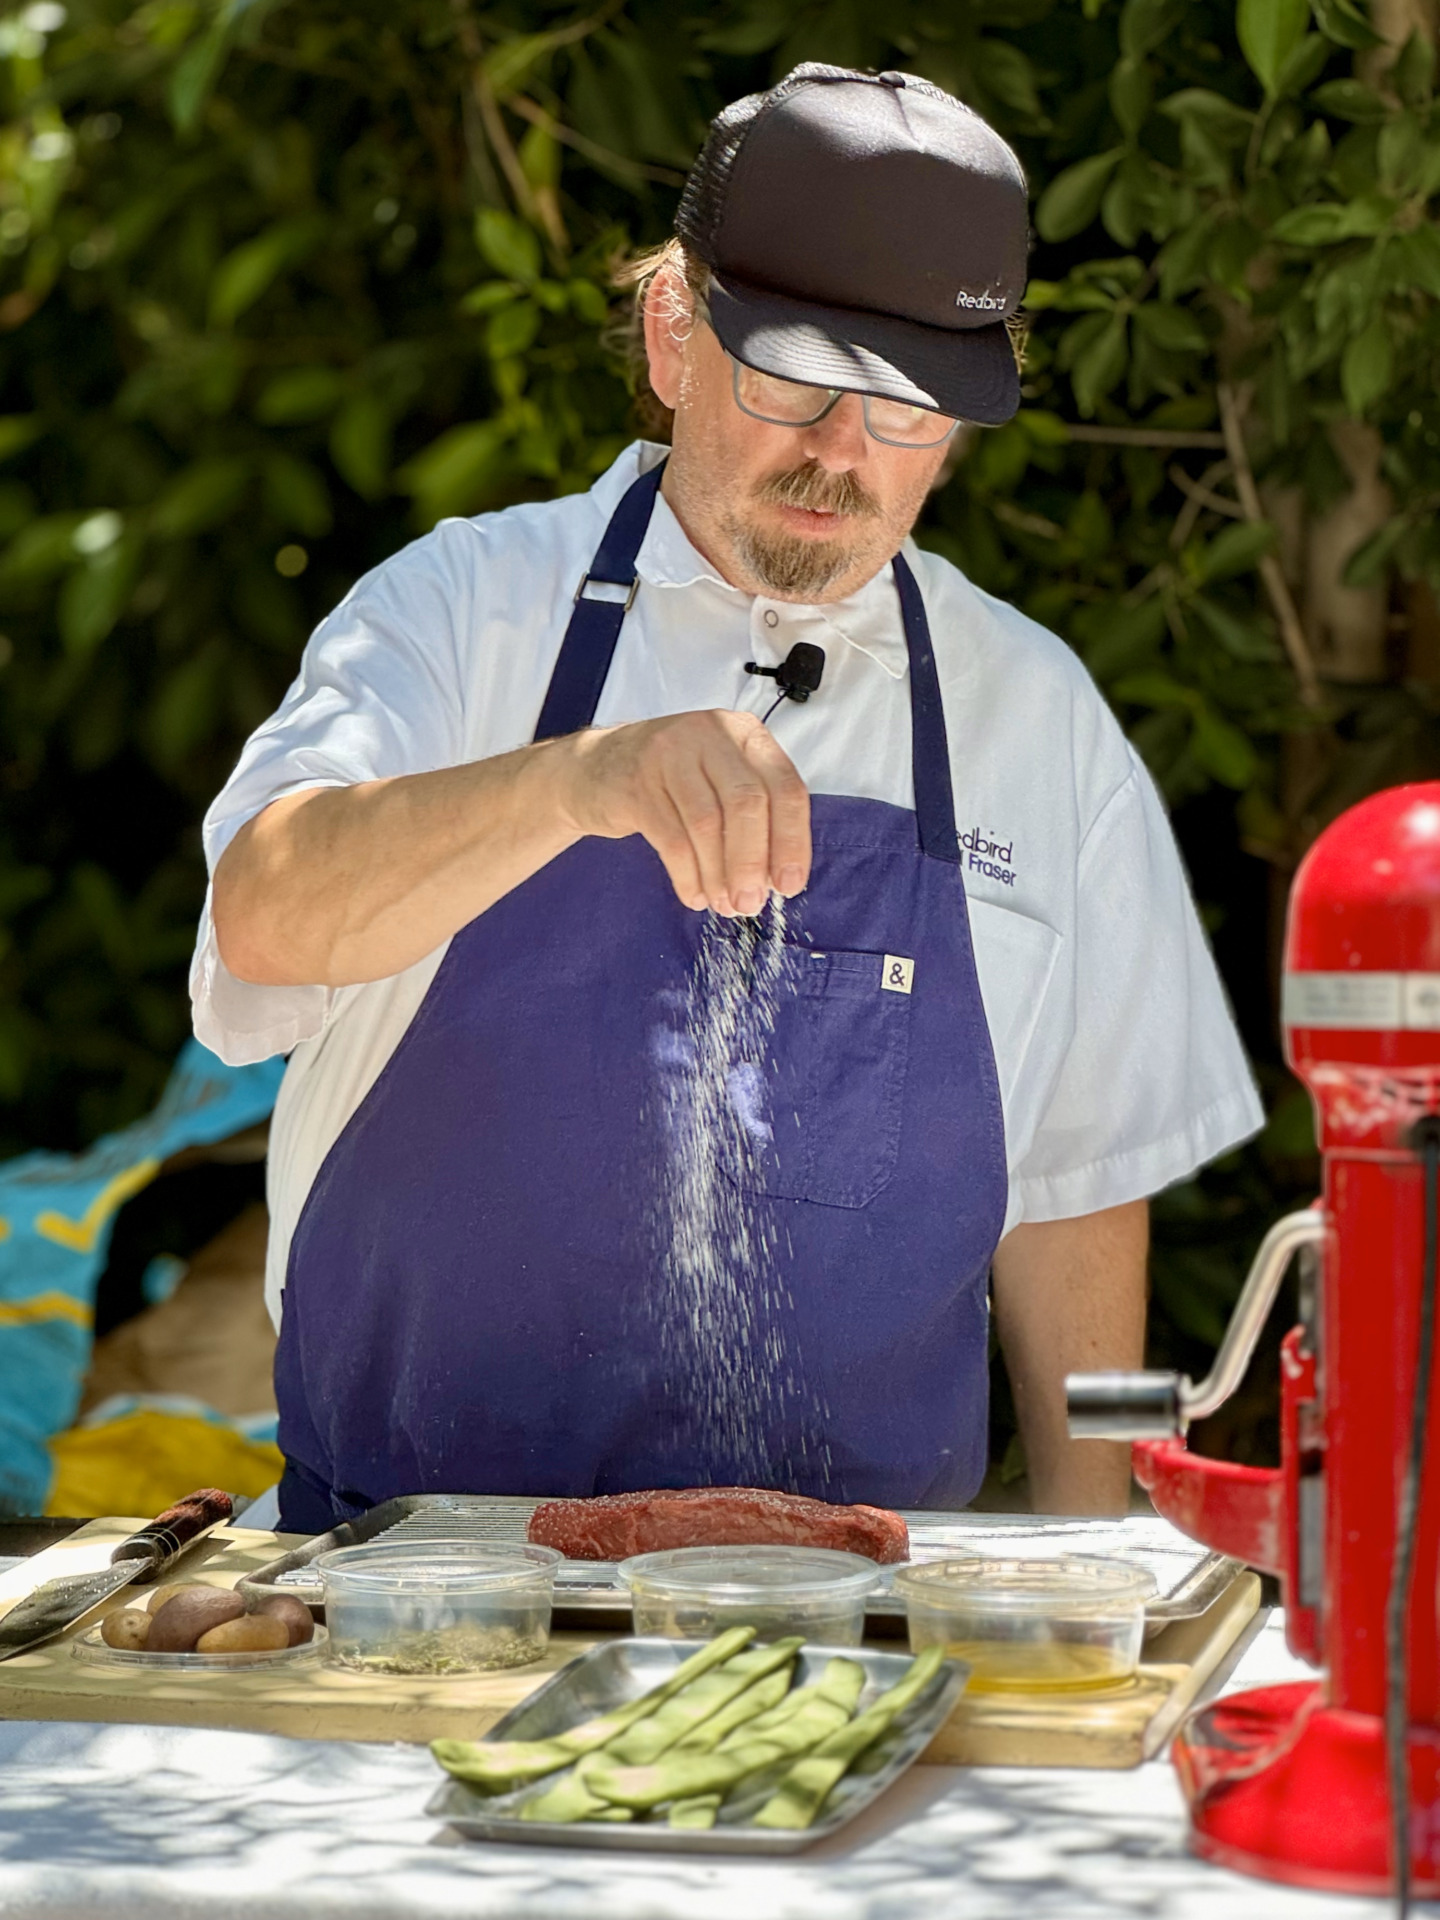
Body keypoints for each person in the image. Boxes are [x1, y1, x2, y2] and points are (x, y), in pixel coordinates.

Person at [193, 63, 1261, 1534]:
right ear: (673, 335)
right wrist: (576, 780)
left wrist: (1100, 1561)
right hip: (409, 1591)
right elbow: (264, 913)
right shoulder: (464, 609)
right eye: (797, 384)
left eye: (906, 412)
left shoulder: (1038, 716)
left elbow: (1085, 1188)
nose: (841, 454)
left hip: (865, 1621)